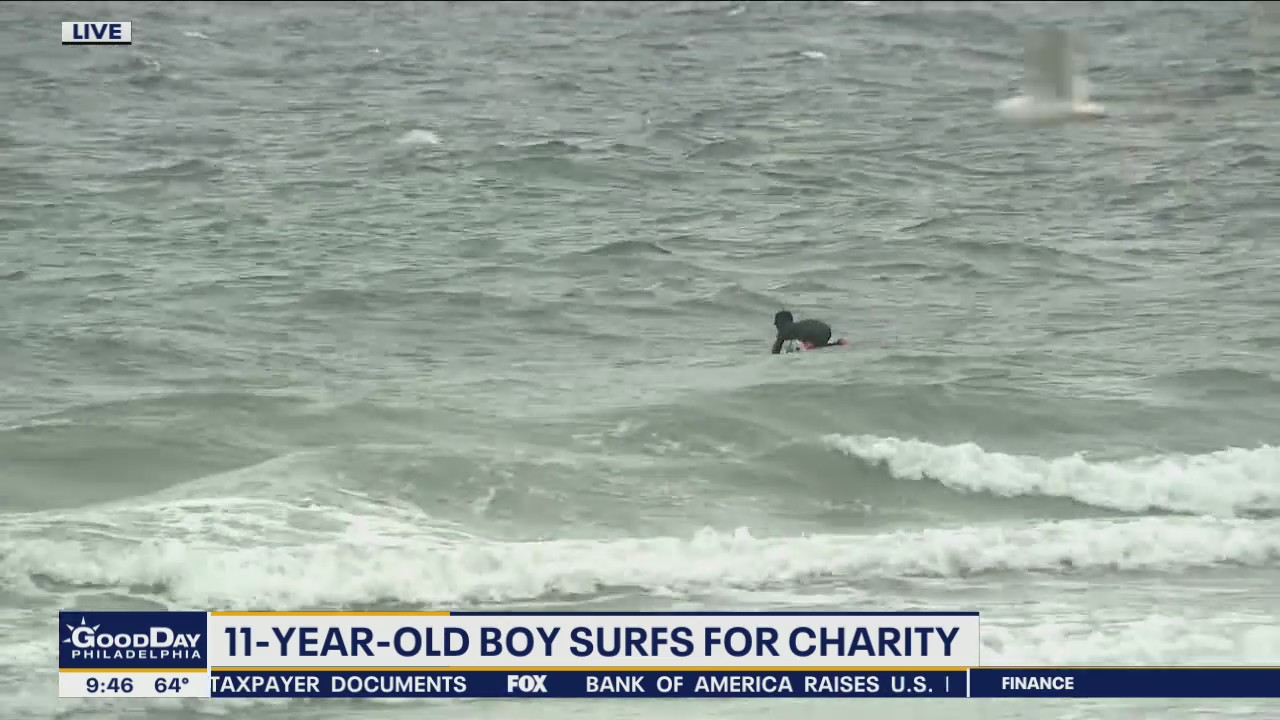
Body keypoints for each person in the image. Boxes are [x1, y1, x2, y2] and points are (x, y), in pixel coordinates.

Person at [770, 310, 848, 354]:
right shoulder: (795, 327)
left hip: (813, 332)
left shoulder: (784, 330)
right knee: (818, 346)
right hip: (825, 330)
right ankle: (839, 343)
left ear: (779, 323)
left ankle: (839, 343)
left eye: (776, 324)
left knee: (809, 348)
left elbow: (775, 351)